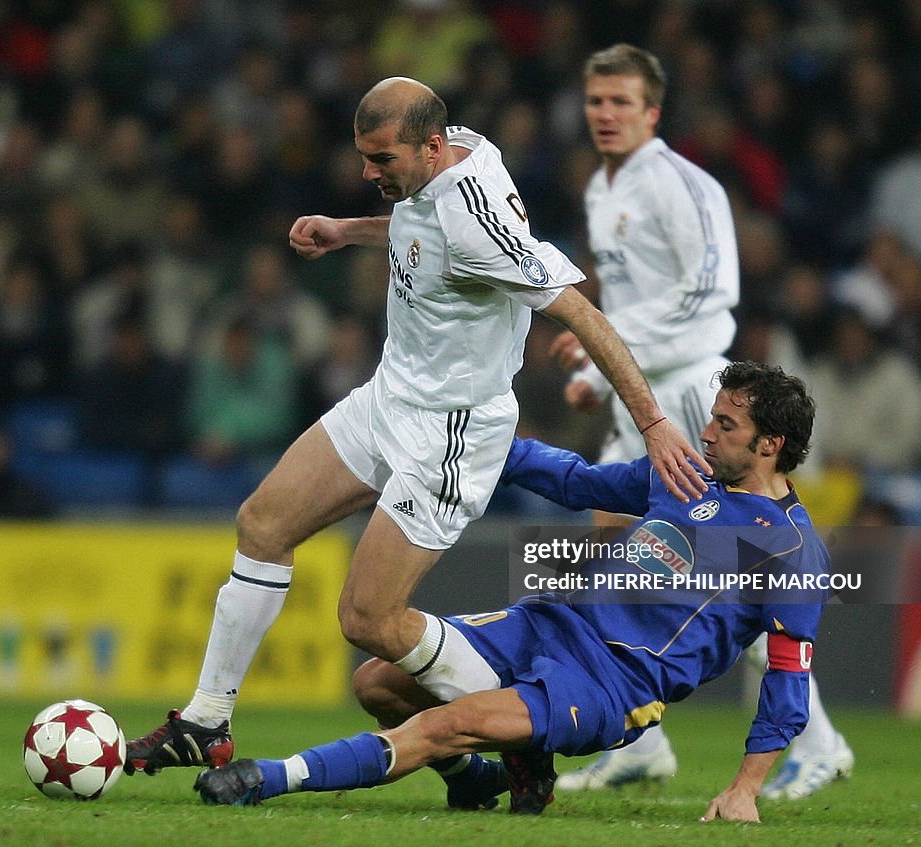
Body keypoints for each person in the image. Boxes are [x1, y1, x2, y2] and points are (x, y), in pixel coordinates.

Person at [123, 76, 710, 793]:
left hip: (452, 431)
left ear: (430, 147)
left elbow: (581, 311)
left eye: (382, 160)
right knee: (263, 523)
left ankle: (519, 729)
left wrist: (651, 421)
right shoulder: (452, 151)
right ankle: (207, 723)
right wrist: (349, 230)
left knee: (369, 618)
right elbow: (416, 228)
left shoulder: (478, 221)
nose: (370, 173)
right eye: (364, 157)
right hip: (389, 396)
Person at [194, 361, 828, 824]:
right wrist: (484, 440)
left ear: (770, 444)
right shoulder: (683, 477)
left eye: (726, 424)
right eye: (712, 418)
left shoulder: (793, 549)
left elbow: (787, 679)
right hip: (546, 626)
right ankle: (481, 781)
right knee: (377, 684)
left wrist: (746, 786)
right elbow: (578, 481)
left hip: (613, 684)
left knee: (446, 723)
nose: (708, 433)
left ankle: (267, 778)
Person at [547, 44, 851, 798]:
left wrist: (599, 344)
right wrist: (600, 374)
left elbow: (709, 294)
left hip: (687, 393)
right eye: (596, 102)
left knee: (723, 572)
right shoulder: (601, 187)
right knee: (619, 570)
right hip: (638, 396)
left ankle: (818, 742)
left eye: (622, 102)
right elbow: (635, 307)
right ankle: (640, 740)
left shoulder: (685, 185)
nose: (606, 115)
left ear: (653, 111)